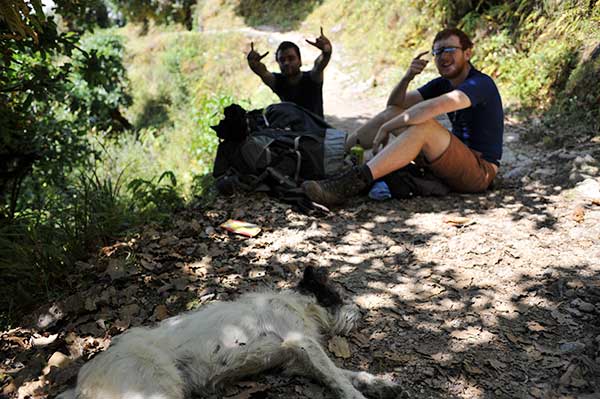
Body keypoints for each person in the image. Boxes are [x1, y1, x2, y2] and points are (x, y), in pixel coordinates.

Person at [303, 27, 503, 206]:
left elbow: (432, 107)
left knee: (424, 127)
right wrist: (407, 77)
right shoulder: (442, 83)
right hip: (453, 160)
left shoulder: (480, 84)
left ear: (467, 53)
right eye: (438, 52)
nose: (443, 56)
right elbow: (394, 105)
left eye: (450, 49)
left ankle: (346, 185)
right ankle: (332, 161)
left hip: (479, 171)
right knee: (393, 114)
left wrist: (388, 127)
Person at [246, 28, 332, 118]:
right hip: (290, 130)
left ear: (300, 61)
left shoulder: (313, 78)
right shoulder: (277, 81)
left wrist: (327, 51)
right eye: (282, 60)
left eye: (291, 58)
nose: (286, 63)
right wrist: (252, 62)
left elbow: (320, 64)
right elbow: (261, 71)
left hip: (315, 130)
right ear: (278, 63)